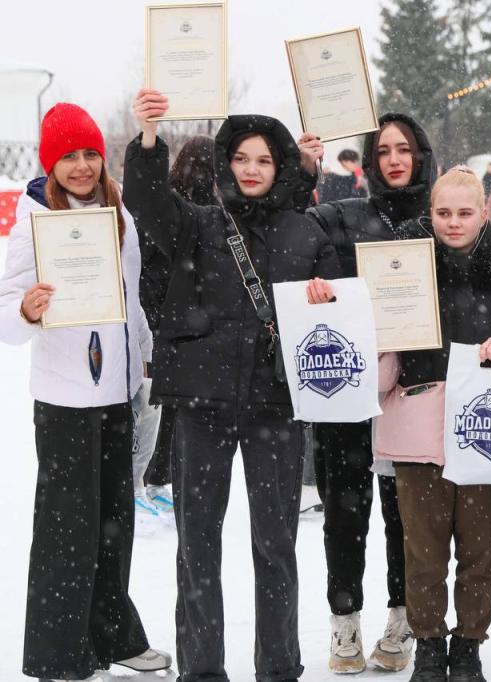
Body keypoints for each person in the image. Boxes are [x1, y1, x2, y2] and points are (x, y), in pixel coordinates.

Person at [124, 88, 343, 682]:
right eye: (242, 158)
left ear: (280, 168)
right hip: (203, 403)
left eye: (264, 160)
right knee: (198, 546)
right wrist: (149, 139)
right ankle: (202, 670)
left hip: (277, 403)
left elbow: (337, 302)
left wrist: (326, 293)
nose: (251, 169)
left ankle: (278, 667)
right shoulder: (197, 224)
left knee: (275, 547)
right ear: (226, 164)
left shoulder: (306, 232)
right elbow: (145, 201)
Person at [0, 102, 170, 682]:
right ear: (51, 162)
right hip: (65, 399)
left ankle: (113, 636)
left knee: (113, 524)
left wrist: (146, 362)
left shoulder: (121, 217)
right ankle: (59, 655)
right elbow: (4, 311)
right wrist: (26, 309)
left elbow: (133, 300)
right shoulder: (33, 221)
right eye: (68, 155)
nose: (81, 165)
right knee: (65, 530)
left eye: (90, 153)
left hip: (117, 394)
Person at [367, 166, 491, 682]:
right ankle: (428, 645)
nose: (453, 223)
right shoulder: (404, 278)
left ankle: (469, 645)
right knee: (422, 554)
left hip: (485, 441)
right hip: (416, 438)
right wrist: (379, 336)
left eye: (464, 212)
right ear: (429, 214)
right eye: (443, 212)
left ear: (483, 214)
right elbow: (380, 378)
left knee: (479, 554)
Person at [305, 112, 437, 673]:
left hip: (411, 396)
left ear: (420, 155)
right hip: (349, 391)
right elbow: (293, 233)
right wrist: (300, 168)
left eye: (404, 148)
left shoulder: (441, 218)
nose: (394, 159)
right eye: (383, 150)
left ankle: (402, 620)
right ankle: (344, 624)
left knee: (405, 518)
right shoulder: (344, 215)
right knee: (343, 512)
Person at [135, 134, 219, 528]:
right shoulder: (178, 207)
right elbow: (151, 264)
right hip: (170, 318)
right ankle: (148, 479)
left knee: (160, 406)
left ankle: (153, 479)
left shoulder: (189, 206)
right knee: (158, 407)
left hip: (171, 317)